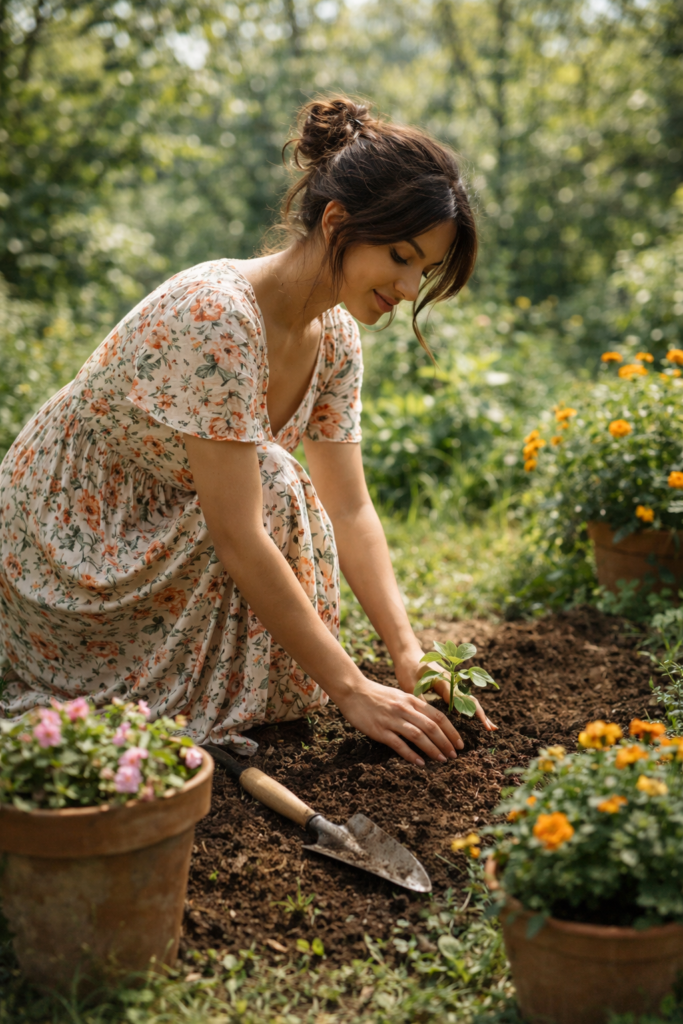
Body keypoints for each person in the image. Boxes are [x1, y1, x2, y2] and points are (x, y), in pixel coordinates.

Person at [0, 95, 496, 766]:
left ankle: (230, 702)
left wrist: (407, 653)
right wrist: (351, 688)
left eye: (424, 270)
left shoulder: (337, 336)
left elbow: (349, 506)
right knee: (272, 481)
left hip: (167, 518)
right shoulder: (217, 316)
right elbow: (238, 534)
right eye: (400, 256)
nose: (409, 287)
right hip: (69, 539)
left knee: (284, 488)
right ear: (336, 220)